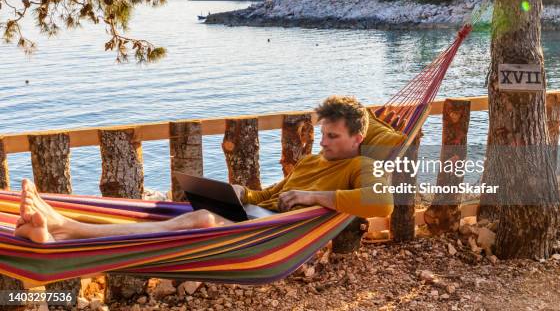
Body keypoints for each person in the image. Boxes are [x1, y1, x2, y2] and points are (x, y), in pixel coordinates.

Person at [15, 95, 393, 243]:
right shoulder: (313, 160)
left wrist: (314, 196)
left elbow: (382, 206)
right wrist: (244, 194)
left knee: (202, 221)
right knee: (188, 208)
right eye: (323, 134)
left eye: (333, 137)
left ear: (358, 138)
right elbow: (271, 197)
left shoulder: (361, 165)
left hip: (273, 234)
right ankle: (64, 226)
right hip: (262, 216)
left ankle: (64, 229)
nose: (324, 142)